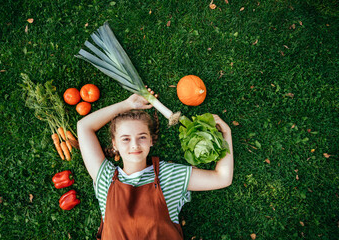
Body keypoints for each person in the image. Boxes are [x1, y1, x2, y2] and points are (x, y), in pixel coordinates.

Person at [77, 93, 234, 240]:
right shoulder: (105, 177)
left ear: (151, 140)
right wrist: (127, 104)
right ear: (114, 144)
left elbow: (222, 178)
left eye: (142, 137)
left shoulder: (170, 175)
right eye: (125, 139)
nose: (135, 145)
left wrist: (226, 134)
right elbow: (83, 126)